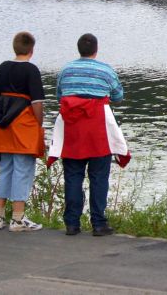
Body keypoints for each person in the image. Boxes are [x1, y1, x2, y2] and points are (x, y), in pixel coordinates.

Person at [52, 33, 128, 237]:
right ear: (96, 49)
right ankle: (98, 223)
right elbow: (118, 96)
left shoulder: (66, 70)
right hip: (97, 130)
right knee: (99, 177)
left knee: (73, 176)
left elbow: (60, 96)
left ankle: (72, 223)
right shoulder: (105, 70)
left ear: (79, 49)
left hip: (73, 129)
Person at [0, 31, 45, 232]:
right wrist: (39, 123)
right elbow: (37, 102)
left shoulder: (3, 67)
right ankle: (18, 220)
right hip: (23, 126)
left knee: (5, 169)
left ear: (14, 47)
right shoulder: (31, 70)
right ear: (32, 50)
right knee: (22, 171)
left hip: (2, 127)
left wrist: (2, 109)